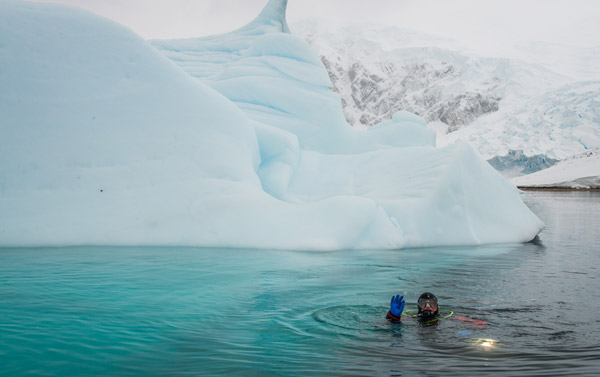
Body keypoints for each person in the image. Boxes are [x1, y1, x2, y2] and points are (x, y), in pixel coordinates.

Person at [386, 292, 488, 328]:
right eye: (423, 303)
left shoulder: (448, 318)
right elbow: (384, 326)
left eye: (432, 303)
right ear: (418, 307)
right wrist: (393, 316)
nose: (428, 306)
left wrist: (474, 321)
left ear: (437, 306)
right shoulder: (408, 319)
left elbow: (481, 322)